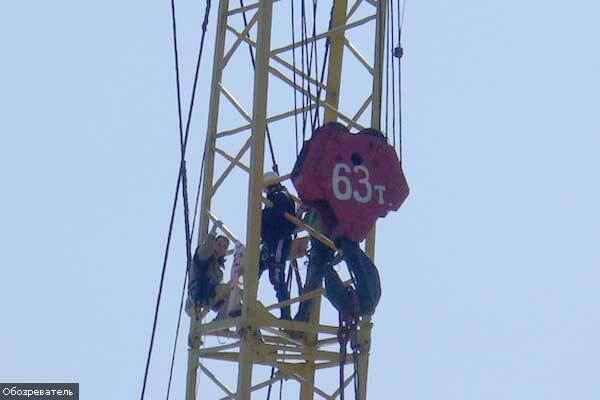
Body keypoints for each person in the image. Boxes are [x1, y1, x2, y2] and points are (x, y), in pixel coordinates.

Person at [259, 171, 296, 320]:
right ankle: (243, 300)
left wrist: (263, 218)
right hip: (271, 242)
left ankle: (285, 313)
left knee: (276, 275)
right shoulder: (277, 197)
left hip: (279, 240)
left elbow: (276, 216)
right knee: (254, 267)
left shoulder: (280, 196)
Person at [187, 222, 230, 318]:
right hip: (199, 290)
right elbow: (206, 249)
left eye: (224, 247)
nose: (221, 248)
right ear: (214, 244)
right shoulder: (205, 255)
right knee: (228, 290)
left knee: (232, 304)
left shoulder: (219, 270)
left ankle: (220, 322)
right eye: (219, 244)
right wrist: (213, 231)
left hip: (209, 295)